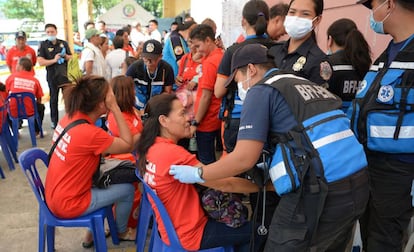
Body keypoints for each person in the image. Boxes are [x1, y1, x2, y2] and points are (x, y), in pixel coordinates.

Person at [169, 43, 369, 251]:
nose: (240, 88)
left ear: (252, 69)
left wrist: (200, 173)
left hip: (323, 189)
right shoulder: (300, 82)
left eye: (237, 80)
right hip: (358, 182)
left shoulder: (262, 90)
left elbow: (243, 158)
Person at [136, 93, 261, 252]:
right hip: (192, 233)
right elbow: (226, 184)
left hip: (170, 229)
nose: (189, 118)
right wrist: (264, 187)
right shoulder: (172, 154)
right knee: (259, 231)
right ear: (163, 121)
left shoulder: (150, 147)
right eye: (182, 113)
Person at [350, 0, 414, 251]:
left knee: (384, 242)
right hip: (370, 166)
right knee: (369, 237)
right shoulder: (389, 52)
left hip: (399, 173)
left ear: (388, 4)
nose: (371, 14)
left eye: (373, 4)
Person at [45, 75, 136, 248]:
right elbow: (128, 143)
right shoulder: (90, 133)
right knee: (127, 189)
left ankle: (91, 234)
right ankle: (122, 231)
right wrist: (116, 109)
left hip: (54, 194)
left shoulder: (69, 118)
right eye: (110, 97)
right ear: (102, 104)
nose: (112, 99)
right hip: (69, 203)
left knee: (101, 180)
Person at [268, 0, 332, 85]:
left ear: (317, 20)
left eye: (305, 14)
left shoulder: (319, 61)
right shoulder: (273, 51)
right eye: (292, 12)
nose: (296, 18)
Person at [188, 24, 223, 165]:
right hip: (217, 116)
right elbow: (196, 58)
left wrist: (196, 122)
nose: (196, 50)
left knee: (206, 160)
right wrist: (199, 51)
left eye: (198, 45)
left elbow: (206, 96)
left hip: (206, 120)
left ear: (208, 40)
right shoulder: (220, 55)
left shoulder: (210, 63)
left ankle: (209, 186)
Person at [326, 18, 371, 111]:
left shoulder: (328, 63)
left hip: (332, 119)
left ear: (330, 40)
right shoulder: (365, 63)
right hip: (356, 118)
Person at [37, 23, 72, 129]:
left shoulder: (63, 43)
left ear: (56, 32)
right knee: (53, 99)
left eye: (52, 32)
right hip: (52, 76)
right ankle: (54, 121)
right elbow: (41, 62)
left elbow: (71, 57)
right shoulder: (43, 45)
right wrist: (54, 60)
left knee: (68, 98)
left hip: (65, 75)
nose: (50, 34)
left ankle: (70, 119)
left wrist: (65, 56)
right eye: (48, 32)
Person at [125, 39, 174, 111]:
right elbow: (124, 88)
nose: (148, 61)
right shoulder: (135, 67)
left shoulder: (167, 69)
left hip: (156, 107)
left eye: (152, 58)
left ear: (160, 56)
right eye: (145, 57)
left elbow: (167, 93)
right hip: (136, 107)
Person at [106, 75, 142, 162]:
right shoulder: (117, 118)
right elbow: (131, 144)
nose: (135, 92)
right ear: (126, 94)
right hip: (127, 162)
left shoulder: (130, 109)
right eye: (133, 89)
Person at [5, 57, 45, 134]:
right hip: (30, 111)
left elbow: (5, 95)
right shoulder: (35, 81)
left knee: (5, 110)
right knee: (41, 107)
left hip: (14, 111)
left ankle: (15, 131)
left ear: (21, 67)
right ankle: (36, 131)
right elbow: (39, 98)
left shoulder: (11, 78)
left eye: (17, 64)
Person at [162, 20, 197, 90]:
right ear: (190, 29)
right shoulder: (176, 39)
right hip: (174, 83)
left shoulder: (181, 40)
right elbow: (181, 62)